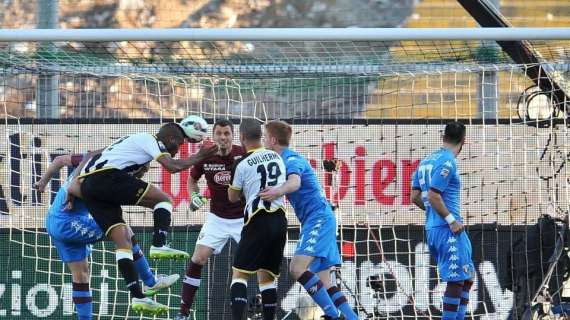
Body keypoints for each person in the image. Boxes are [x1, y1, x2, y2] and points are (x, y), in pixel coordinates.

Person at [67, 120, 218, 309]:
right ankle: (159, 245)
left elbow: (90, 155)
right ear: (170, 139)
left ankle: (139, 296)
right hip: (107, 178)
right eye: (179, 144)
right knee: (163, 200)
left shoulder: (128, 144)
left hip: (89, 187)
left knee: (123, 241)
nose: (178, 149)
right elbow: (172, 167)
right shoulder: (149, 138)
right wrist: (200, 156)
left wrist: (70, 189)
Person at [40, 152, 179, 317]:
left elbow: (59, 160)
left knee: (81, 274)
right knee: (125, 233)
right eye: (143, 169)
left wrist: (43, 182)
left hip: (54, 218)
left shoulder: (94, 160)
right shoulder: (109, 176)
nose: (143, 173)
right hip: (67, 222)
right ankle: (150, 281)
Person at [259, 120, 358, 320]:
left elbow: (294, 183)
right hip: (319, 218)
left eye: (264, 137)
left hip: (319, 218)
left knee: (296, 268)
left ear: (272, 140)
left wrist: (276, 192)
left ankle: (332, 314)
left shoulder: (291, 159)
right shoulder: (280, 161)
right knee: (326, 280)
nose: (262, 140)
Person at [176, 119, 245, 319]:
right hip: (217, 218)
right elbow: (191, 180)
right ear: (213, 136)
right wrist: (194, 196)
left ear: (233, 136)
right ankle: (183, 313)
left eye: (227, 134)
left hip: (243, 218)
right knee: (197, 258)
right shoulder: (205, 156)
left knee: (254, 265)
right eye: (219, 134)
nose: (223, 138)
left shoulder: (243, 153)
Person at [410, 122, 475, 320]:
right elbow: (433, 195)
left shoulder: (426, 161)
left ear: (443, 137)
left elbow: (414, 196)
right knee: (456, 281)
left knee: (467, 276)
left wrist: (433, 213)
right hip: (449, 229)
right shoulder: (448, 162)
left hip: (435, 228)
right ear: (463, 141)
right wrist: (450, 219)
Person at [227, 118, 288, 320]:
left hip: (258, 219)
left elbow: (233, 197)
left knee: (240, 274)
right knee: (267, 277)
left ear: (242, 137)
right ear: (261, 136)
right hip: (280, 220)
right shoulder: (277, 156)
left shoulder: (240, 163)